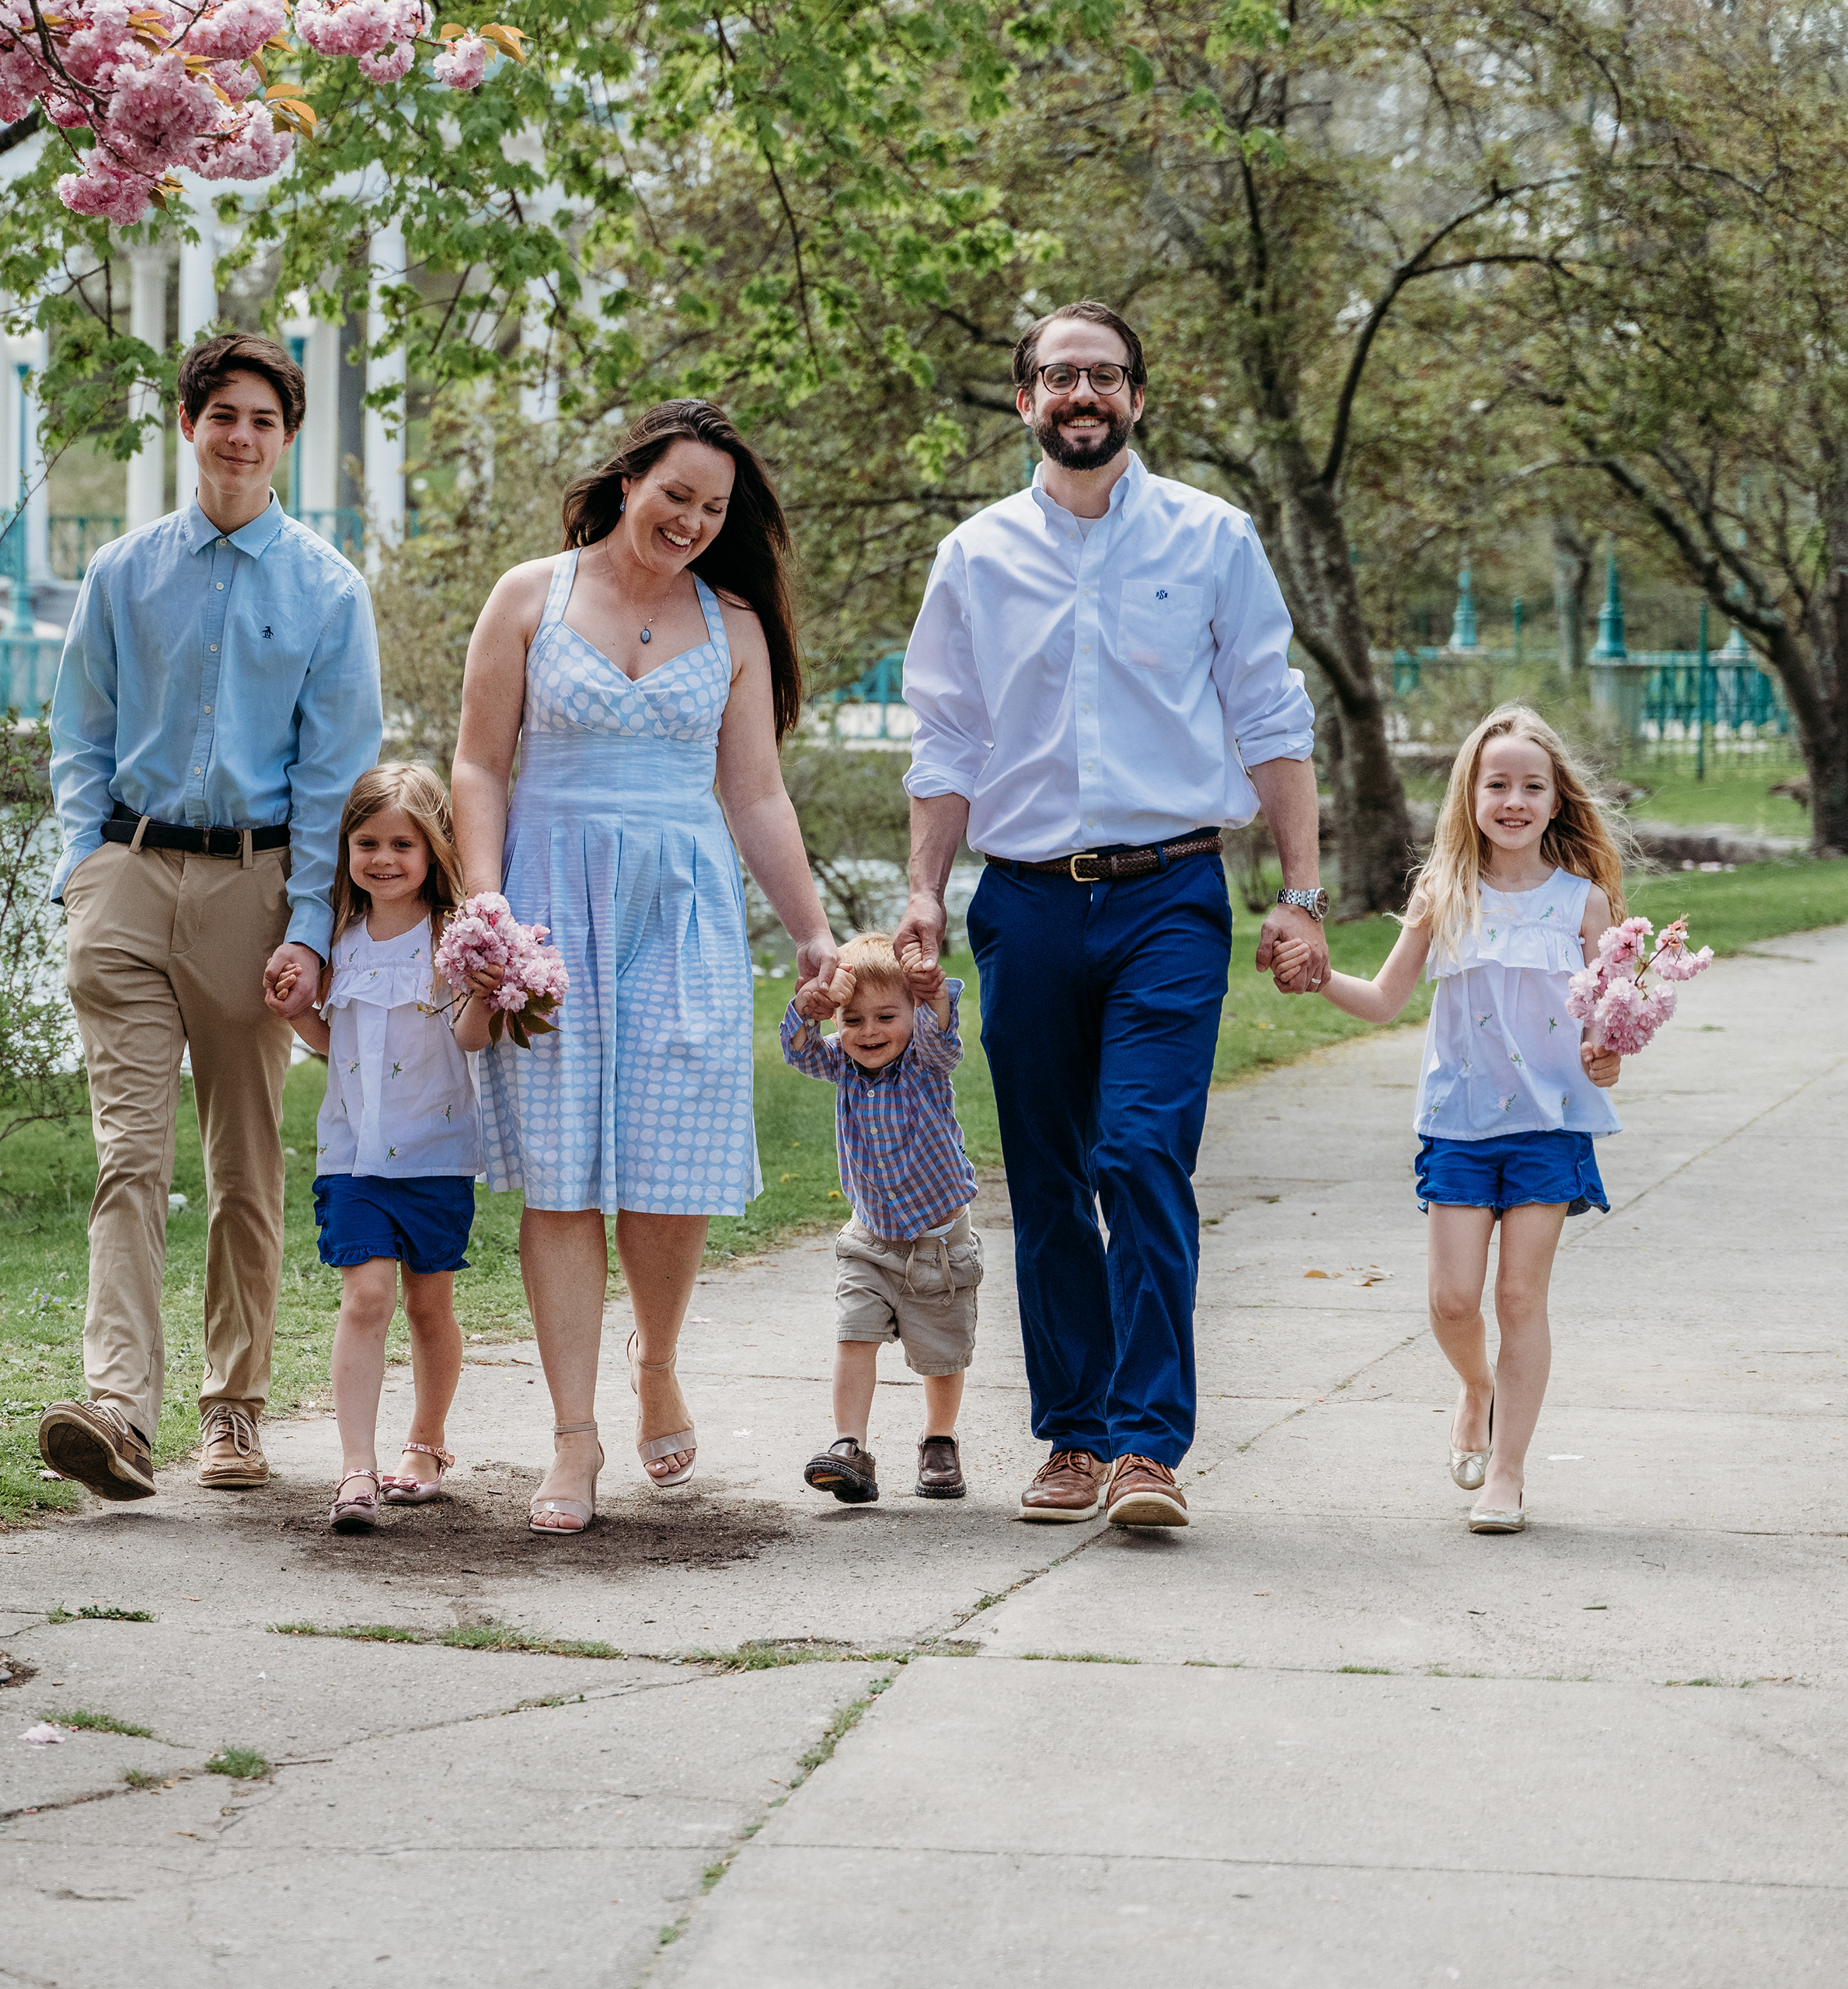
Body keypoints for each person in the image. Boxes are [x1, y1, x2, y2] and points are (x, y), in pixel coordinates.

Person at [894, 299, 1329, 1531]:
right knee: (1043, 1177)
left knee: (1139, 1153)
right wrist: (925, 891)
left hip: (1172, 898)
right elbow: (947, 738)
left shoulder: (1213, 538)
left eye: (1106, 376)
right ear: (1025, 399)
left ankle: (1148, 1444)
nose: (1082, 395)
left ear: (1138, 396)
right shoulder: (975, 556)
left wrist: (1299, 896)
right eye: (1058, 377)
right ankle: (1073, 1438)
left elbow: (1270, 719)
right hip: (1024, 904)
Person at [452, 400, 839, 1538]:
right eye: (676, 495)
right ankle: (573, 1436)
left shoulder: (733, 627)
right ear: (628, 481)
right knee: (564, 1173)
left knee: (669, 1167)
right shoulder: (531, 596)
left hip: (680, 908)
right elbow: (478, 764)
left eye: (715, 510)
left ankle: (657, 1358)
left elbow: (756, 795)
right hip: (549, 906)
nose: (691, 522)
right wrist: (487, 905)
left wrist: (814, 932)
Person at [37, 332, 382, 1502]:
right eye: (221, 414)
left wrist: (311, 930)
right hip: (129, 878)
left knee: (245, 1163)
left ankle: (233, 1409)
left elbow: (337, 783)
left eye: (263, 420)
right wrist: (85, 872)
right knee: (128, 1158)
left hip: (257, 891)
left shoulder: (330, 593)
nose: (240, 436)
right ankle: (119, 1409)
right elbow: (79, 731)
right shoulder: (124, 574)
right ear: (189, 427)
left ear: (287, 441)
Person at [1276, 705, 1627, 1534]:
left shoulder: (1585, 905)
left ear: (1555, 799)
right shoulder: (1444, 893)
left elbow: (1605, 1024)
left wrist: (1608, 1052)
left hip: (1548, 1126)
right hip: (1458, 1124)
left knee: (1518, 1297)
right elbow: (1383, 999)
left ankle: (1505, 1476)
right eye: (1497, 784)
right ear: (1470, 796)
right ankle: (1476, 1388)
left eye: (1531, 786)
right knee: (1452, 1300)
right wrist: (1317, 976)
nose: (1514, 800)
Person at [272, 764, 497, 1534]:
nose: (383, 857)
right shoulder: (335, 942)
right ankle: (354, 1468)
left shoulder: (451, 940)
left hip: (435, 1153)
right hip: (353, 1157)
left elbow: (470, 1039)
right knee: (366, 1297)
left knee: (430, 1305)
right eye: (367, 842)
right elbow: (338, 1047)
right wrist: (298, 1016)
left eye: (403, 842)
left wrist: (487, 991)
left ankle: (427, 1445)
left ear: (434, 851)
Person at [779, 933, 982, 1506]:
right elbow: (797, 1049)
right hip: (870, 1238)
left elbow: (945, 1037)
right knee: (854, 1336)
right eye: (853, 1019)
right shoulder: (841, 1063)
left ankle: (939, 1441)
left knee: (940, 1353)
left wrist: (935, 996)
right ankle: (850, 1447)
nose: (869, 1032)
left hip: (938, 1244)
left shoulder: (923, 1060)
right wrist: (809, 1006)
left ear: (914, 1014)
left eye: (886, 1016)